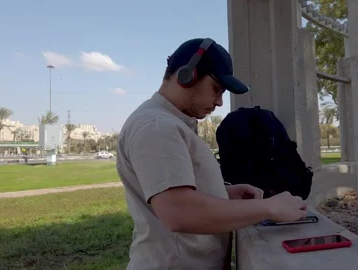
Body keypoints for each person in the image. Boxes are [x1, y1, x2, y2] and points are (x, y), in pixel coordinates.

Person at [116, 38, 307, 270]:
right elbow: (177, 211)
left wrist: (221, 193)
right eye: (217, 89)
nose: (219, 102)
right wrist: (269, 208)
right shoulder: (157, 126)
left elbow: (172, 193)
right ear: (188, 74)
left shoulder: (169, 123)